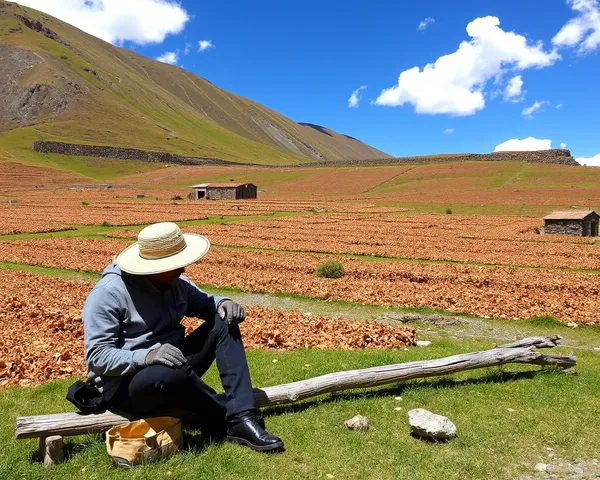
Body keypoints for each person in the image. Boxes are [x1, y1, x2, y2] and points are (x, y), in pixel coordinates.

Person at [81, 221, 283, 452]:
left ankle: (241, 417)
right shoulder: (108, 294)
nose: (183, 269)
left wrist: (224, 303)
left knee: (224, 321)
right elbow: (97, 357)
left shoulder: (177, 284)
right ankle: (223, 414)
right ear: (153, 267)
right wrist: (147, 356)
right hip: (129, 386)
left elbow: (207, 303)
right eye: (176, 264)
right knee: (166, 373)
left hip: (174, 366)